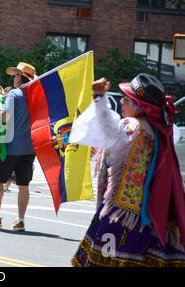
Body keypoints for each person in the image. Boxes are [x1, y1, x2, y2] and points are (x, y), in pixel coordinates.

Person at [71, 74, 185, 267]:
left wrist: (99, 97)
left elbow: (107, 130)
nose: (122, 101)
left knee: (104, 261)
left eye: (127, 99)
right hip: (151, 211)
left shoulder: (132, 126)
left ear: (140, 107)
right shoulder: (164, 130)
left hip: (122, 213)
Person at [0, 62, 37, 232]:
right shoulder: (35, 96)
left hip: (10, 147)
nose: (13, 78)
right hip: (29, 147)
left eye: (15, 75)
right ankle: (20, 220)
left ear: (20, 77)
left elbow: (4, 117)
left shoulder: (14, 94)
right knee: (23, 184)